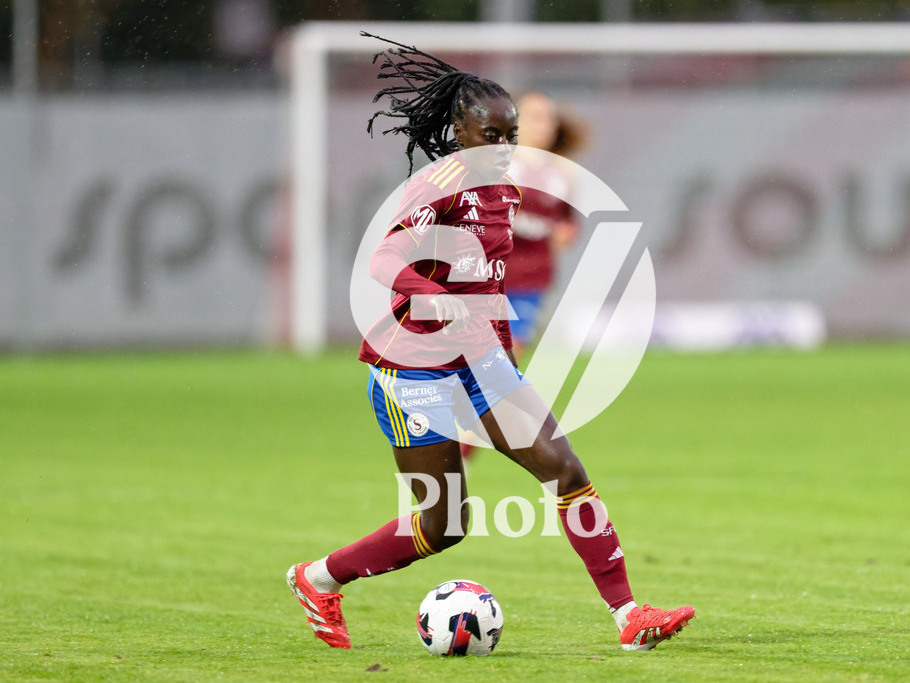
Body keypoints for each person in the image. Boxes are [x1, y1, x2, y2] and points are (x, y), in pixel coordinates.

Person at [286, 34, 694, 653]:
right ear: (460, 133)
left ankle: (630, 616)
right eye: (491, 135)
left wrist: (496, 349)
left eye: (511, 136)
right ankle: (318, 579)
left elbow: (491, 282)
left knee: (566, 472)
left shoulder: (505, 189)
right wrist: (431, 294)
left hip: (481, 362)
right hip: (411, 370)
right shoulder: (439, 185)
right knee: (444, 525)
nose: (505, 148)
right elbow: (385, 258)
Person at [504, 92, 585, 357]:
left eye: (550, 119)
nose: (545, 125)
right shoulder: (493, 164)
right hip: (484, 274)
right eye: (536, 118)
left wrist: (565, 233)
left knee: (511, 351)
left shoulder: (564, 172)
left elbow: (567, 223)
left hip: (531, 276)